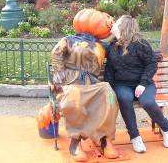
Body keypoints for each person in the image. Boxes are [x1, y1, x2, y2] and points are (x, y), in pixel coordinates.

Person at [50, 9, 119, 162]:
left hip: (93, 84)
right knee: (75, 96)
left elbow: (121, 51)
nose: (105, 21)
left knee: (108, 93)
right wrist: (60, 78)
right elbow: (56, 54)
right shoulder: (68, 40)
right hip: (71, 83)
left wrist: (115, 32)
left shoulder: (102, 46)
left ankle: (104, 139)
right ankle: (75, 142)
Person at [104, 15, 168, 153]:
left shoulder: (141, 44)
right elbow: (110, 70)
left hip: (143, 83)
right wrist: (109, 88)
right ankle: (135, 137)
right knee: (124, 99)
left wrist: (142, 84)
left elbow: (151, 64)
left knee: (147, 102)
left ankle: (166, 129)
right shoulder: (112, 46)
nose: (113, 23)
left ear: (123, 27)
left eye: (116, 22)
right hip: (122, 84)